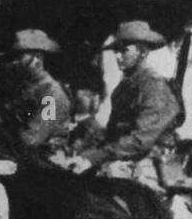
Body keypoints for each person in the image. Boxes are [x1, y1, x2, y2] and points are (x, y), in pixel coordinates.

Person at [66, 21, 180, 180]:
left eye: (124, 51)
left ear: (143, 52)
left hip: (154, 163)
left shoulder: (154, 87)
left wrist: (94, 157)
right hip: (124, 155)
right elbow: (114, 135)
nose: (118, 57)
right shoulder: (122, 89)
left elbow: (141, 140)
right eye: (116, 51)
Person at [7, 29, 71, 159]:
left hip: (46, 161)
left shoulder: (51, 94)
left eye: (20, 57)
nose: (14, 63)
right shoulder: (24, 87)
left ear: (37, 58)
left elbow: (33, 138)